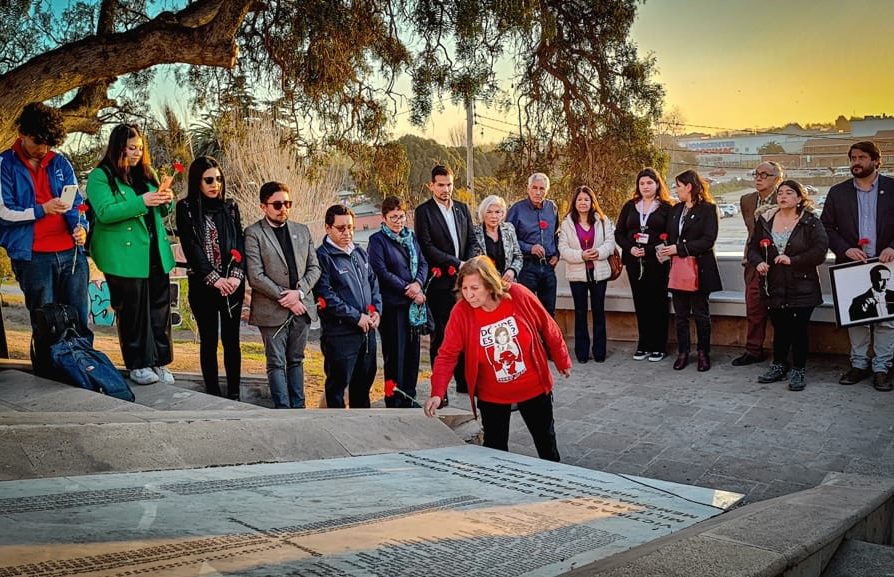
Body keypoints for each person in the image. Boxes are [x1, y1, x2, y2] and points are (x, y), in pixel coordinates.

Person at [423, 256, 571, 461]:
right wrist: (438, 392)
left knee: (546, 443)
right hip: (492, 395)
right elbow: (447, 354)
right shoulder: (461, 312)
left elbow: (547, 326)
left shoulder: (518, 295)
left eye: (474, 288)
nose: (469, 295)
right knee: (495, 450)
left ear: (490, 285)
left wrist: (562, 358)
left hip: (533, 387)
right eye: (464, 289)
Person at [85, 123, 176, 385]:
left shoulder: (148, 174)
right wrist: (142, 202)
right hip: (123, 255)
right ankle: (138, 364)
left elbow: (160, 214)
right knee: (133, 311)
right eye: (130, 148)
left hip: (155, 251)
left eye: (140, 148)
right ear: (117, 147)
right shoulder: (100, 177)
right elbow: (105, 212)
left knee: (159, 310)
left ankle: (160, 361)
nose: (136, 153)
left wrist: (165, 200)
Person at [0, 101, 90, 354]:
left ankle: (86, 372)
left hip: (71, 254)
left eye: (49, 143)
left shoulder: (60, 163)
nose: (43, 149)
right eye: (38, 141)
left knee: (79, 321)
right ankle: (50, 378)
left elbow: (76, 204)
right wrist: (42, 209)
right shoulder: (5, 164)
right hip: (33, 257)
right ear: (22, 134)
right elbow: (3, 212)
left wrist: (82, 228)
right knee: (46, 324)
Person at [822, 141, 894, 392]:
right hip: (852, 266)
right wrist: (844, 249)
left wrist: (892, 247)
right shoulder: (837, 192)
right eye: (853, 157)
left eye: (862, 157)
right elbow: (827, 228)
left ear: (876, 160)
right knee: (858, 317)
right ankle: (859, 364)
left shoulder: (892, 188)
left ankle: (882, 368)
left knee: (886, 319)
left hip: (887, 264)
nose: (856, 161)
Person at [244, 181, 320, 408]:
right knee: (276, 363)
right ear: (263, 206)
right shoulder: (253, 233)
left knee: (296, 360)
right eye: (277, 204)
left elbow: (314, 268)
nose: (283, 208)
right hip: (271, 310)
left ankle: (299, 409)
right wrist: (284, 298)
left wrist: (298, 293)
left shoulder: (302, 230)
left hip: (301, 307)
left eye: (287, 203)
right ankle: (283, 411)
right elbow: (255, 276)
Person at [748, 180, 828, 391]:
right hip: (774, 285)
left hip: (803, 286)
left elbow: (820, 251)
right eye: (780, 193)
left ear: (800, 198)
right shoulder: (765, 220)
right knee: (780, 327)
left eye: (789, 193)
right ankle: (779, 364)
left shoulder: (810, 221)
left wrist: (793, 260)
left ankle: (799, 369)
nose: (783, 196)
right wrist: (759, 263)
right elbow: (752, 249)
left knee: (799, 329)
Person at [175, 156, 245, 400]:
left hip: (232, 285)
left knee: (231, 339)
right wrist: (214, 278)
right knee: (208, 340)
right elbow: (191, 246)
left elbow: (239, 243)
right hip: (203, 285)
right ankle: (213, 393)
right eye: (209, 180)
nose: (215, 184)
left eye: (218, 179)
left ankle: (234, 393)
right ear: (197, 181)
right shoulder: (185, 208)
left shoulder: (231, 207)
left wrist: (235, 277)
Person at [414, 164, 480, 401]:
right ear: (431, 185)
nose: (445, 189)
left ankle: (464, 383)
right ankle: (440, 391)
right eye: (440, 185)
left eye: (449, 184)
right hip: (440, 285)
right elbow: (427, 246)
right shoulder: (424, 212)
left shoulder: (462, 209)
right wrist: (455, 262)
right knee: (441, 337)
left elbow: (472, 239)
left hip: (465, 283)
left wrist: (468, 262)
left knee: (466, 333)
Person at [315, 204, 382, 408]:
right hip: (341, 334)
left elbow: (373, 283)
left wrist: (375, 311)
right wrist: (356, 317)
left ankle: (362, 431)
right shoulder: (323, 257)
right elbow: (326, 295)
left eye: (350, 227)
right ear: (328, 228)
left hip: (366, 333)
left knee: (362, 387)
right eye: (341, 228)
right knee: (337, 388)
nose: (347, 233)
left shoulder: (359, 253)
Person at [658, 169, 722, 372]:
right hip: (678, 270)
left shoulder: (708, 209)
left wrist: (680, 249)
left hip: (700, 269)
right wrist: (666, 248)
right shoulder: (676, 210)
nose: (675, 190)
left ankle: (703, 353)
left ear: (689, 186)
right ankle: (683, 352)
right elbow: (669, 235)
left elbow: (708, 240)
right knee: (681, 314)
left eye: (678, 186)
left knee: (701, 314)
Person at [367, 196, 428, 408]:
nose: (398, 221)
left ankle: (410, 396)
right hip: (393, 307)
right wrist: (407, 288)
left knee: (413, 355)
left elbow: (422, 263)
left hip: (413, 307)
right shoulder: (377, 241)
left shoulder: (411, 237)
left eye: (401, 216)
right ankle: (394, 398)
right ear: (384, 218)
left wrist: (418, 284)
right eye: (393, 217)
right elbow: (381, 272)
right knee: (395, 357)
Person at [614, 167, 675, 362]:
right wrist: (630, 248)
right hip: (634, 261)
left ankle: (659, 345)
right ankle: (644, 344)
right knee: (641, 303)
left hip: (657, 262)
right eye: (642, 183)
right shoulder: (630, 206)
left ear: (657, 184)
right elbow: (619, 233)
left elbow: (671, 236)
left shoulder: (666, 207)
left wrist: (649, 249)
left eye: (649, 183)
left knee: (658, 302)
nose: (645, 186)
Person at [733, 161, 785, 366]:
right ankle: (753, 350)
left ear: (777, 178)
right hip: (753, 261)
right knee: (753, 307)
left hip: (780, 261)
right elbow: (751, 232)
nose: (759, 177)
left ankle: (783, 354)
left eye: (765, 174)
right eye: (756, 173)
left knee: (781, 310)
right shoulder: (747, 200)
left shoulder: (785, 197)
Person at [558, 185, 616, 363]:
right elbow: (563, 248)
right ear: (574, 202)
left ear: (592, 202)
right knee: (580, 312)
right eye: (579, 200)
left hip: (599, 273)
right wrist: (580, 256)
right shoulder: (567, 223)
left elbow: (610, 242)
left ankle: (600, 352)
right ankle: (582, 353)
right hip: (577, 274)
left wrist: (599, 252)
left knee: (599, 311)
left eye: (586, 199)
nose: (583, 203)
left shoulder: (602, 221)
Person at [507, 172, 560, 316]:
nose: (538, 192)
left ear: (547, 190)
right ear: (528, 188)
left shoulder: (552, 208)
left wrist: (556, 254)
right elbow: (508, 239)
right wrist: (530, 248)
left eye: (542, 189)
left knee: (549, 312)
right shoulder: (516, 210)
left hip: (548, 267)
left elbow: (556, 234)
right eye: (534, 188)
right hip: (526, 266)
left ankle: (548, 339)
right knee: (526, 311)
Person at [473, 195, 523, 283]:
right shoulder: (474, 232)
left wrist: (513, 270)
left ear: (502, 214)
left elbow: (518, 256)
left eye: (497, 212)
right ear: (483, 214)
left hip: (507, 283)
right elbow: (472, 261)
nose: (493, 216)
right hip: (485, 283)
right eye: (489, 212)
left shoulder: (509, 229)